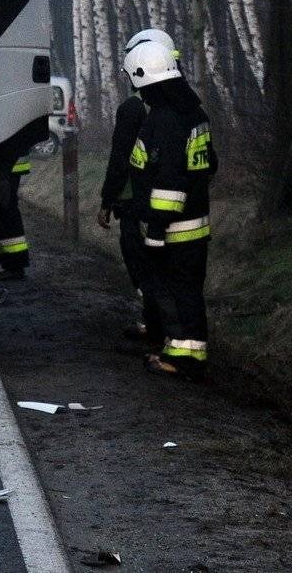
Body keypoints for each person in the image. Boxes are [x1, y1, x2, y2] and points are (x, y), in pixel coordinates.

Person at [124, 38, 217, 382]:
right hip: (196, 226)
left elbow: (168, 182)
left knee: (175, 292)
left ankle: (182, 358)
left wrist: (157, 231)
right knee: (189, 290)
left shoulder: (163, 121)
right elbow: (209, 166)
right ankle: (188, 351)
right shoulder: (195, 113)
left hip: (173, 229)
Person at [99, 28, 175, 344]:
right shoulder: (179, 106)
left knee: (139, 261)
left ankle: (158, 325)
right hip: (173, 202)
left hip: (136, 202)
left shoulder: (133, 108)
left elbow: (121, 158)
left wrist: (107, 199)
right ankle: (162, 324)